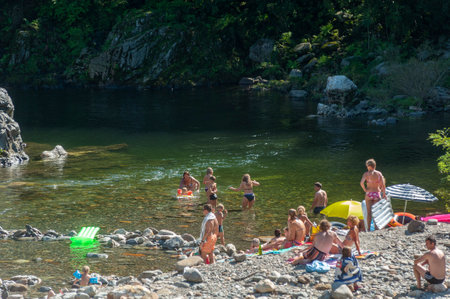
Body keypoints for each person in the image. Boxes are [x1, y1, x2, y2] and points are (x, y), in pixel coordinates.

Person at [360, 159, 386, 231]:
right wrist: (384, 194)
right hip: (377, 193)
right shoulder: (379, 173)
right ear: (374, 166)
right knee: (376, 212)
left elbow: (361, 183)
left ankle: (368, 229)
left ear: (368, 166)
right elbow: (383, 185)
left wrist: (365, 190)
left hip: (369, 194)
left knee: (369, 213)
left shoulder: (366, 174)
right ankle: (376, 228)